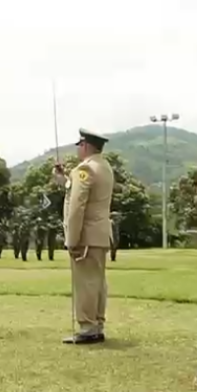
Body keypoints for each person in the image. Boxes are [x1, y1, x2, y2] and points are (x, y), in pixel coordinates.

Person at [54, 129, 114, 345]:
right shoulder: (103, 167)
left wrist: (71, 238)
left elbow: (77, 207)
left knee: (86, 283)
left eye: (79, 144)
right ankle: (96, 325)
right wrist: (65, 180)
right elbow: (79, 192)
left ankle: (87, 327)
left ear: (86, 146)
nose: (78, 148)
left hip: (86, 235)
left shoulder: (85, 169)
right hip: (99, 234)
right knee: (97, 282)